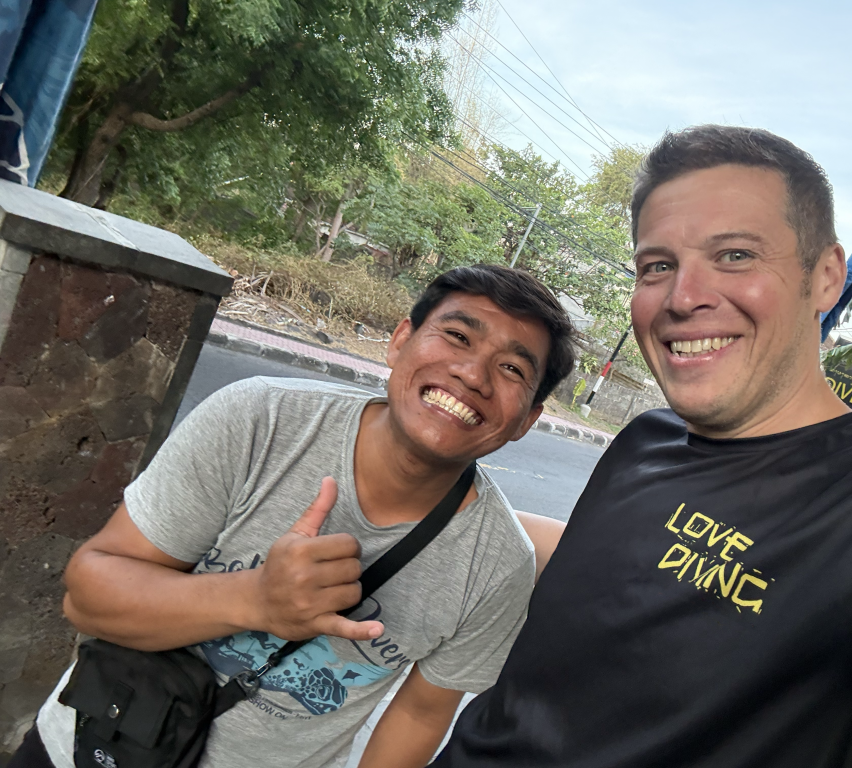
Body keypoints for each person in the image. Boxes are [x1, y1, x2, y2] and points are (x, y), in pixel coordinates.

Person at [434, 126, 852, 768]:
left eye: (736, 255)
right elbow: (617, 572)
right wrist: (425, 525)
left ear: (826, 276)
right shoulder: (646, 437)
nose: (683, 297)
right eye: (657, 266)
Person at [14, 264, 576, 768]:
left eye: (511, 368)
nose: (473, 374)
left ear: (527, 419)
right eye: (457, 336)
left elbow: (420, 713)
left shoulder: (499, 565)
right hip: (86, 749)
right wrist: (257, 600)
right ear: (400, 340)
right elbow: (87, 598)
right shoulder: (260, 419)